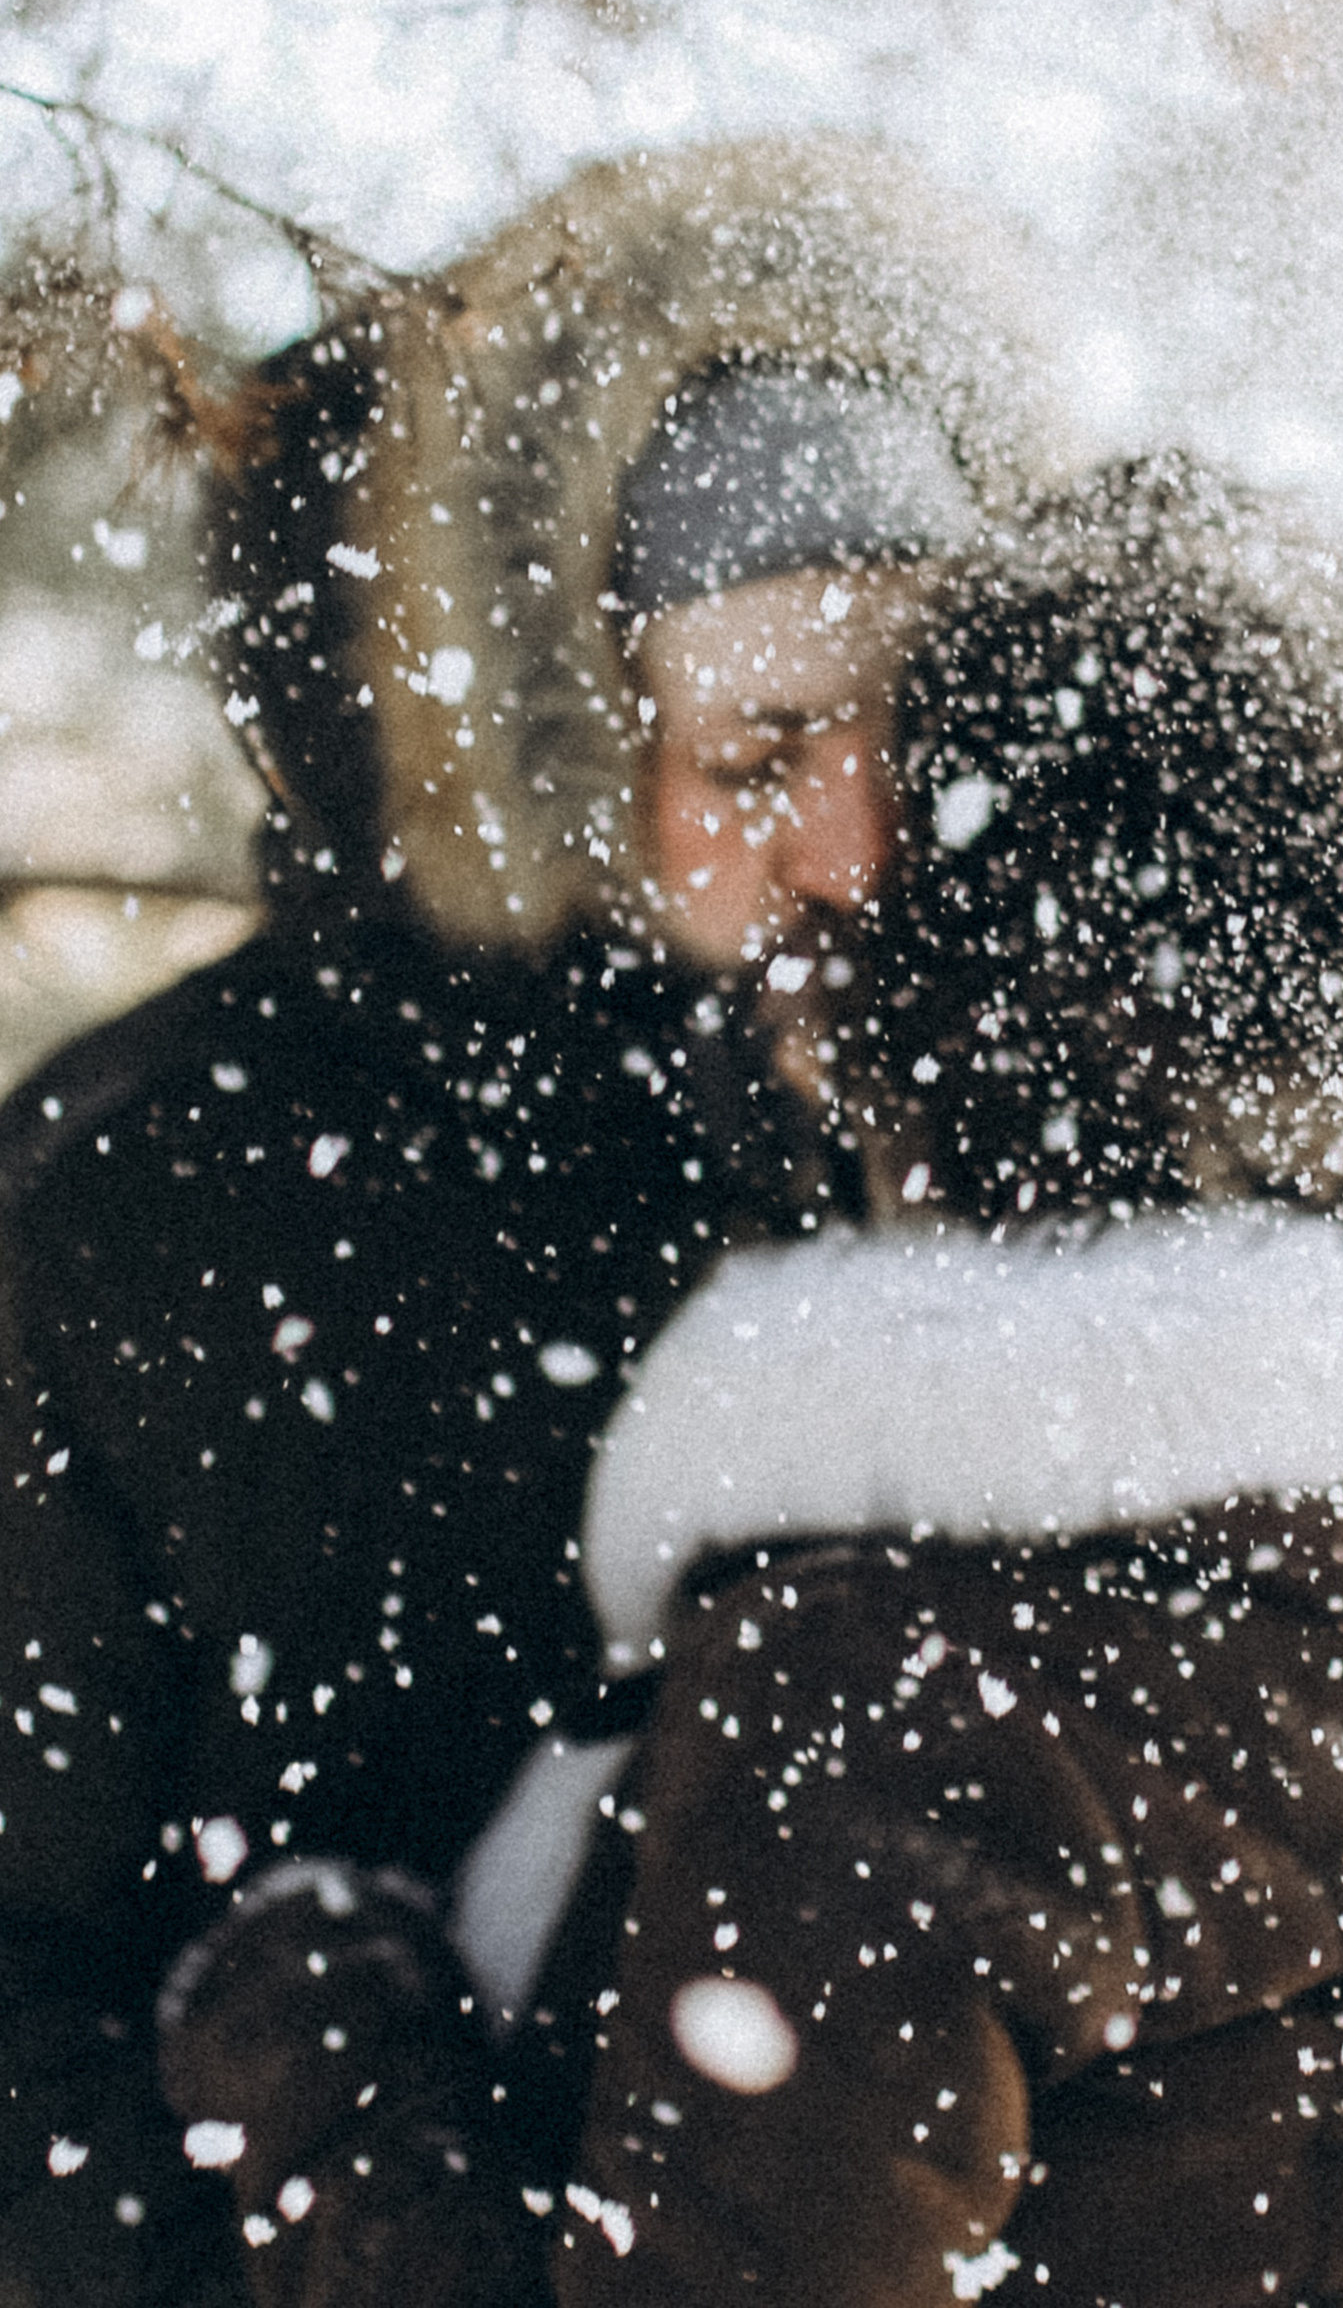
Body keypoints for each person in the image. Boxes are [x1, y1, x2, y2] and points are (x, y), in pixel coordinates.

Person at [0, 137, 1066, 2305]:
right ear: (564, 750)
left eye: (898, 729)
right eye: (759, 746)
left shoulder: (975, 1138)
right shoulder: (135, 1208)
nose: (860, 847)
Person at [546, 457, 1343, 2308]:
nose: (785, 892)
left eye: (856, 931)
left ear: (998, 1028)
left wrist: (325, 2056)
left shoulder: (891, 1681)